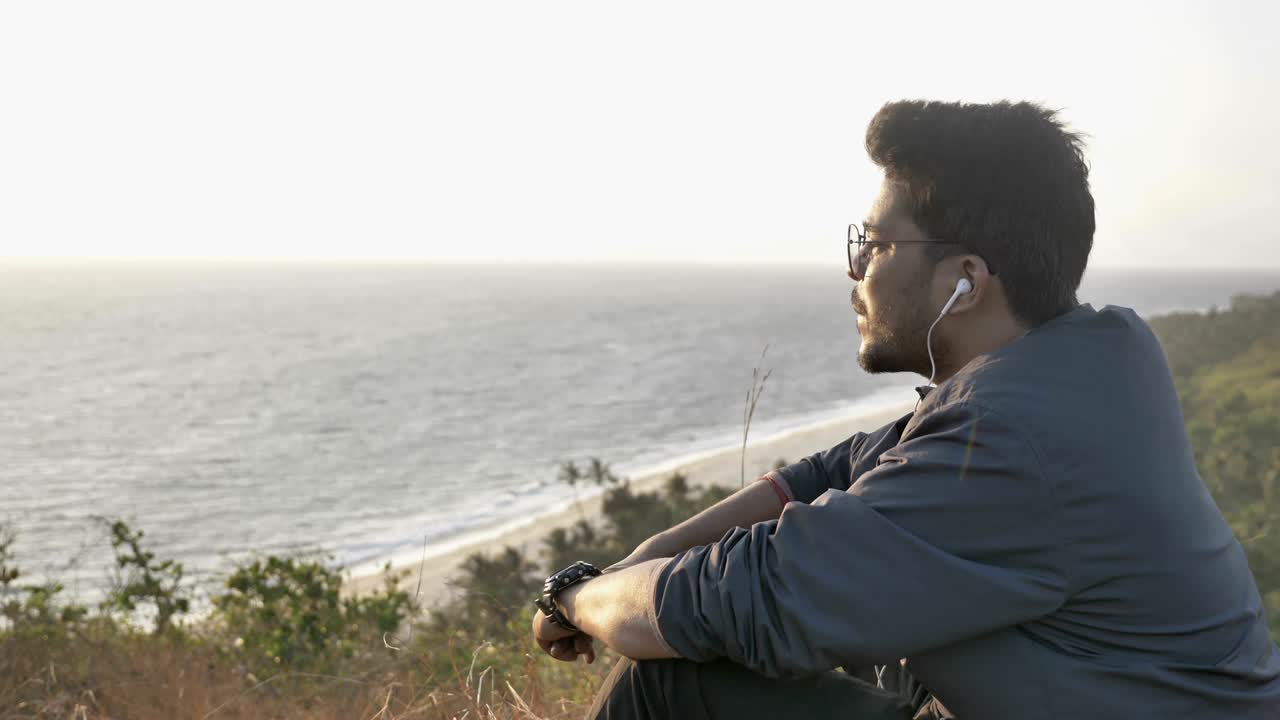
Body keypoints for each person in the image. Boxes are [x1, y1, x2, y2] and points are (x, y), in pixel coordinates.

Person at [530, 99, 1280, 719]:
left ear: (965, 280)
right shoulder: (1095, 355)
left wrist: (577, 594)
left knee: (670, 685)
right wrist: (643, 555)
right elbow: (836, 468)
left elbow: (743, 600)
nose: (854, 273)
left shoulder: (1009, 435)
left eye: (876, 245)